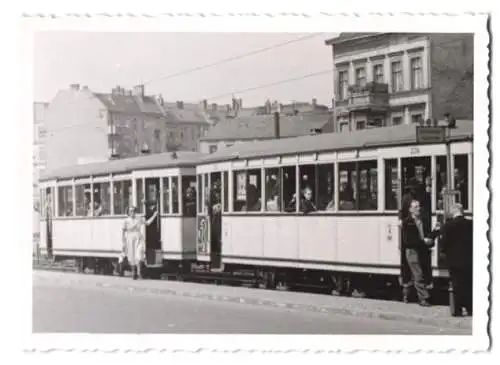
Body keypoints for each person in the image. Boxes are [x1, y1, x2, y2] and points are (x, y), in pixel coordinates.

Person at [440, 203, 473, 316]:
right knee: (468, 284)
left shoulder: (448, 225)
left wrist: (444, 253)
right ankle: (470, 308)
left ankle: (457, 310)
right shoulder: (471, 224)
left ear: (453, 212)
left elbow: (444, 244)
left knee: (456, 285)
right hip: (469, 259)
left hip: (454, 260)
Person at [401, 200, 433, 306]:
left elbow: (427, 234)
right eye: (415, 207)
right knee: (418, 274)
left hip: (422, 250)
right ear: (410, 209)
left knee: (419, 273)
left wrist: (434, 234)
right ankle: (423, 298)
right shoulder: (407, 222)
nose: (418, 208)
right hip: (412, 251)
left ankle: (407, 294)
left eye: (419, 206)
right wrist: (424, 241)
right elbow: (408, 240)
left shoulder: (423, 221)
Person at [121, 205, 158, 280]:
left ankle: (139, 272)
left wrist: (154, 215)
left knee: (139, 254)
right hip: (130, 238)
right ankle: (133, 272)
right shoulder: (126, 221)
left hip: (138, 237)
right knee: (132, 256)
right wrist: (123, 242)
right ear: (128, 212)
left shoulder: (139, 219)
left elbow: (147, 223)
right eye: (131, 211)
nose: (132, 212)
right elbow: (123, 231)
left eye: (134, 211)